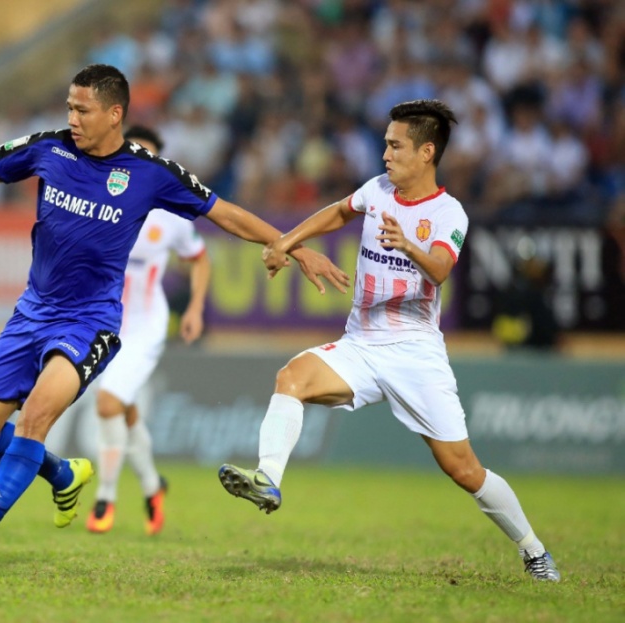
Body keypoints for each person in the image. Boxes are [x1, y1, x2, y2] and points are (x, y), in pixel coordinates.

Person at [0, 64, 346, 569]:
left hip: (88, 322)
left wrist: (291, 244)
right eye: (70, 107)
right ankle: (62, 476)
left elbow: (223, 212)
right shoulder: (49, 148)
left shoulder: (150, 173)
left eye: (82, 109)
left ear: (115, 114)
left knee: (34, 417)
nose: (72, 118)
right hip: (30, 313)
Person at [217, 99, 561, 582]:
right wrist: (286, 242)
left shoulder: (449, 212)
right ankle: (268, 479)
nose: (385, 154)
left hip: (416, 352)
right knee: (291, 376)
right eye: (384, 144)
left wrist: (408, 245)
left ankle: (534, 550)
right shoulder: (377, 190)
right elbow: (339, 213)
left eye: (395, 145)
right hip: (361, 343)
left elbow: (440, 270)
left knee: (463, 469)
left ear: (426, 152)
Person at [86, 125, 210, 536]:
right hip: (106, 322)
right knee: (126, 409)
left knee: (107, 404)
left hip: (145, 326)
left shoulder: (171, 215)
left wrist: (193, 307)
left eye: (148, 154)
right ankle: (154, 487)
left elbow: (199, 258)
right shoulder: (102, 199)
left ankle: (105, 498)